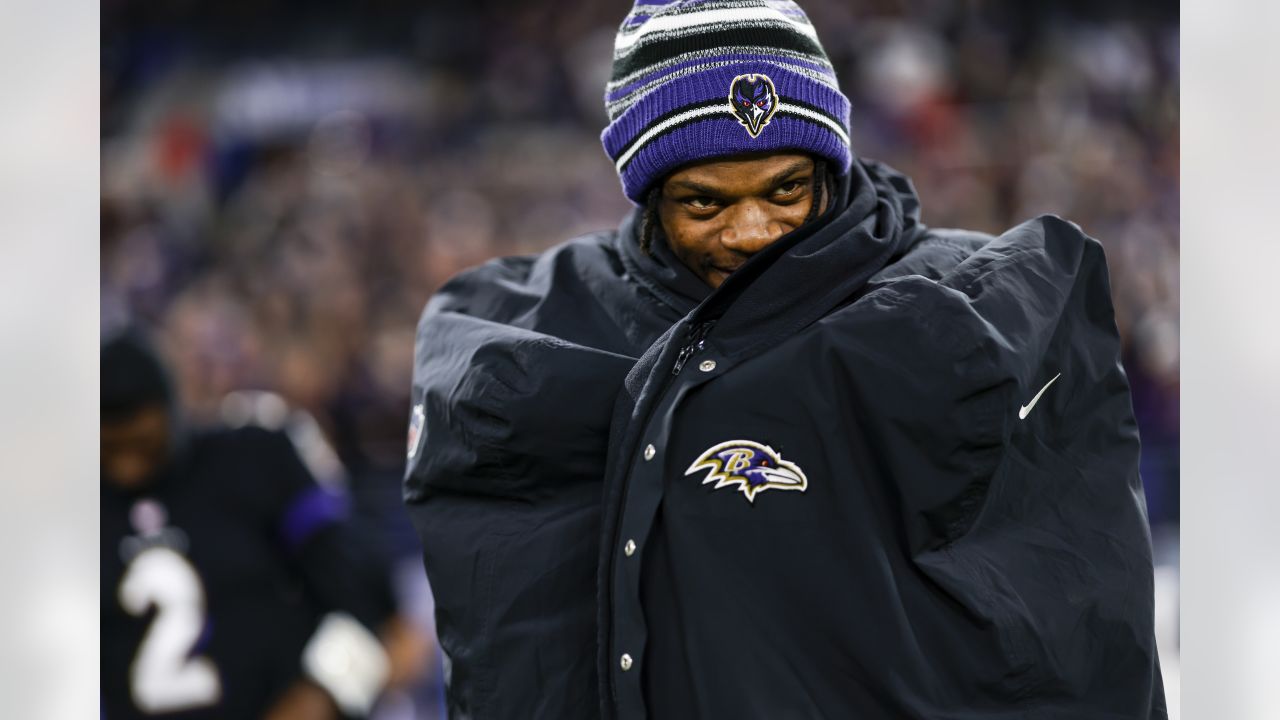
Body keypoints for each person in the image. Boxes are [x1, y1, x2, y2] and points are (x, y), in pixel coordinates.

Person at [404, 1, 1166, 718]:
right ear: (645, 191)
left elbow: (1077, 612)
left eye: (787, 189)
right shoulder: (538, 321)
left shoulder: (961, 306)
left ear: (828, 168)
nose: (752, 230)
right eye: (706, 202)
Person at [101, 330, 428, 720]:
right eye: (111, 447)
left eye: (140, 443)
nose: (127, 465)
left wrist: (321, 695)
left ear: (172, 409)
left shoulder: (252, 459)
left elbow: (385, 623)